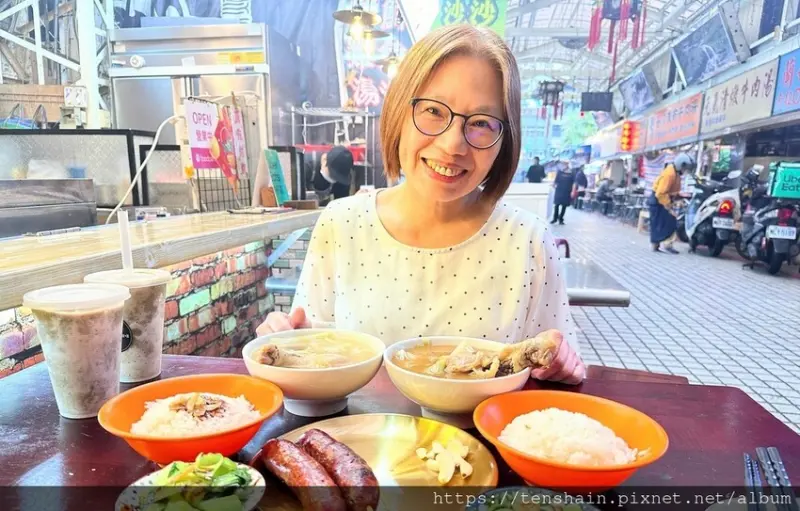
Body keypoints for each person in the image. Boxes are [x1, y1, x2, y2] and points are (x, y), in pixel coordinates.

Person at [256, 24, 584, 384]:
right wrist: (285, 341)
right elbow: (312, 355)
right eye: (432, 111)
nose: (452, 144)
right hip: (362, 438)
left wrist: (563, 367)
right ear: (399, 111)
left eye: (481, 123)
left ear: (505, 139)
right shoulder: (342, 222)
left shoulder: (528, 240)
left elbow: (553, 361)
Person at [649, 152, 694, 254]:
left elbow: (671, 190)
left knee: (659, 223)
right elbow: (660, 193)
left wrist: (679, 196)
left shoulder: (675, 172)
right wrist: (668, 206)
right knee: (668, 221)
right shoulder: (670, 174)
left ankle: (657, 246)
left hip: (660, 200)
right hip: (659, 200)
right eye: (685, 167)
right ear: (681, 164)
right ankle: (666, 245)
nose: (685, 170)